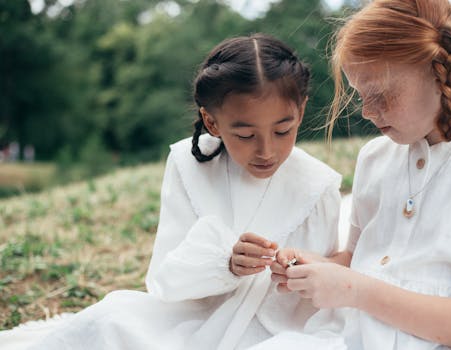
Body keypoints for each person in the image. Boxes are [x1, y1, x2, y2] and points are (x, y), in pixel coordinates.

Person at [21, 34, 342, 350]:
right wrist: (226, 263)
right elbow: (164, 278)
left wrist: (294, 270)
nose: (267, 150)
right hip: (189, 317)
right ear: (212, 122)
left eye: (283, 131)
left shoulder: (318, 185)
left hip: (272, 330)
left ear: (300, 112)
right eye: (245, 135)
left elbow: (322, 293)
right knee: (109, 319)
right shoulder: (188, 166)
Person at [263, 0, 451, 349]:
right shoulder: (375, 158)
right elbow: (357, 258)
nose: (369, 112)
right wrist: (317, 267)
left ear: (443, 72)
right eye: (361, 96)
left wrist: (353, 289)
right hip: (347, 333)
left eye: (383, 95)